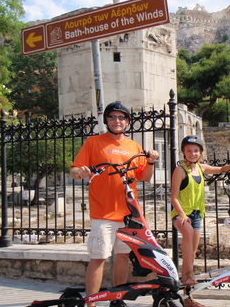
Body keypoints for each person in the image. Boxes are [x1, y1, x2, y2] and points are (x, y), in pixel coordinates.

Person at [70, 101, 159, 307]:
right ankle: (90, 303)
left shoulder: (134, 146)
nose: (117, 121)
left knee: (122, 256)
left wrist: (152, 161)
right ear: (106, 120)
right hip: (103, 214)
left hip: (128, 214)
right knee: (99, 257)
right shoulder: (93, 142)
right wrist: (80, 171)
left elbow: (144, 176)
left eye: (121, 117)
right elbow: (75, 171)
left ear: (127, 122)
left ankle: (117, 300)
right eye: (112, 117)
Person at [170, 135, 230, 307]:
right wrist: (181, 215)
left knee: (192, 254)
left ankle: (188, 297)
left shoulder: (201, 168)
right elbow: (173, 197)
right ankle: (188, 278)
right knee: (186, 237)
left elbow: (220, 170)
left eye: (196, 150)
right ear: (183, 152)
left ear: (201, 153)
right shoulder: (180, 170)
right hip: (181, 215)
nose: (192, 153)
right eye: (189, 151)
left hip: (196, 215)